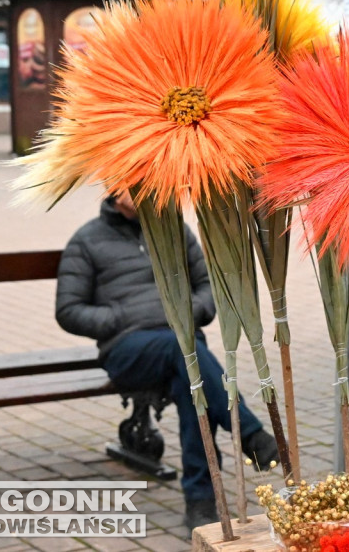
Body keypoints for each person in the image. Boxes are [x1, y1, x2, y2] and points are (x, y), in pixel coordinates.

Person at [55, 190, 280, 534]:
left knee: (193, 386)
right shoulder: (87, 240)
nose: (142, 187)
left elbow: (208, 284)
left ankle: (202, 501)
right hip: (127, 349)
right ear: (112, 188)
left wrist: (190, 311)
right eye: (132, 181)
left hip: (182, 346)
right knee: (185, 354)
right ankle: (250, 434)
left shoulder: (174, 229)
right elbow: (68, 310)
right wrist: (119, 317)